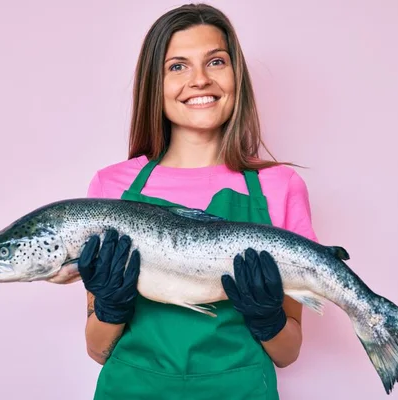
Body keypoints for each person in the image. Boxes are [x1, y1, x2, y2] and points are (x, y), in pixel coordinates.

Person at [77, 3, 318, 399]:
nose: (200, 80)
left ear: (236, 75)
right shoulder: (111, 186)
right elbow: (97, 349)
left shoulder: (279, 186)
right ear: (155, 83)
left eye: (216, 61)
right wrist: (109, 307)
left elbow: (288, 352)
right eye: (178, 66)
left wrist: (268, 318)